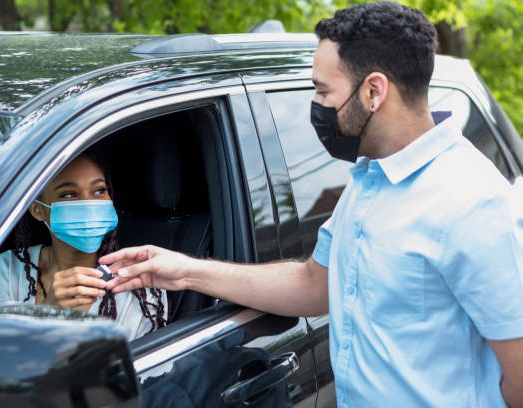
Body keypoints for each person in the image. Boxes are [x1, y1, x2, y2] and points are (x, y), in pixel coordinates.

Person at [100, 2, 523, 407]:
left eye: (322, 90)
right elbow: (314, 284)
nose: (315, 104)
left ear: (374, 91)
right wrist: (187, 271)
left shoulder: (472, 202)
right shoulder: (370, 177)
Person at [0, 149, 169, 340]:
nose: (88, 204)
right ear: (38, 210)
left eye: (99, 190)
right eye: (68, 194)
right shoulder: (7, 269)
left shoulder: (141, 286)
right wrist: (45, 313)